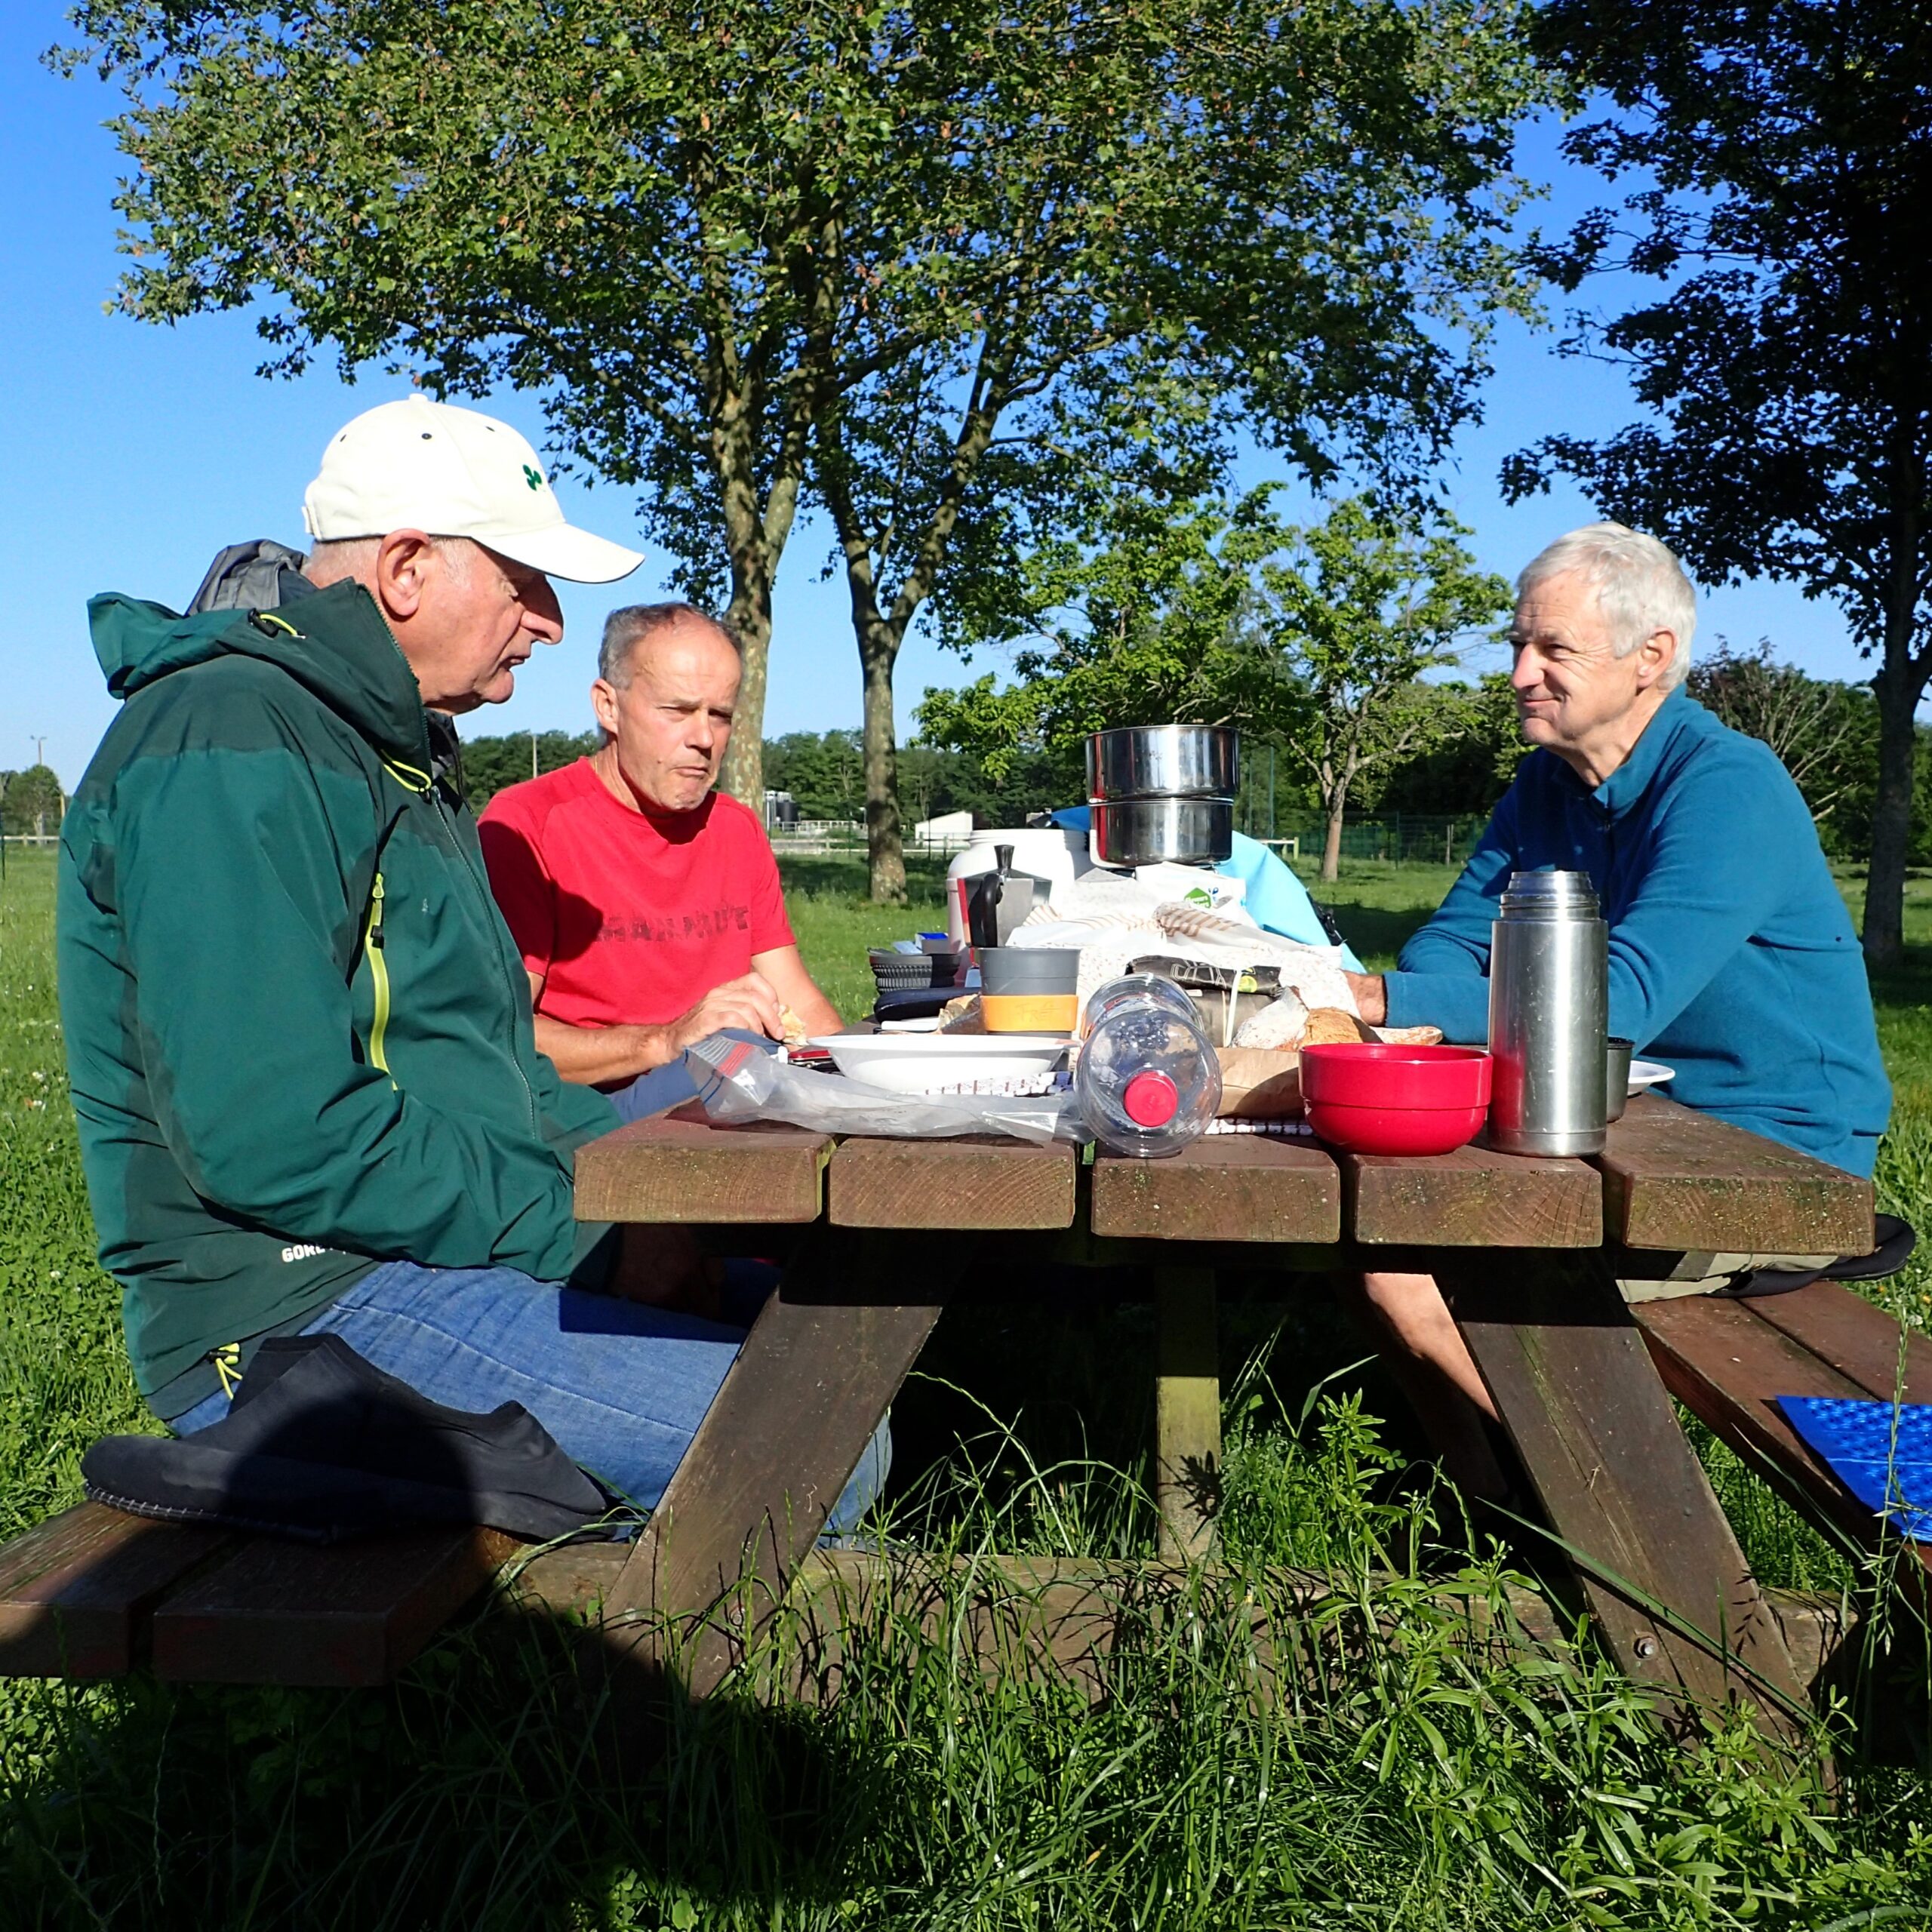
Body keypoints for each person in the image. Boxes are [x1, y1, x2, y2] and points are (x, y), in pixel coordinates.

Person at [57, 395, 884, 1522]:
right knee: (828, 1445)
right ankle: (376, 1507)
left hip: (429, 1250)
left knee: (842, 1336)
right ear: (405, 568)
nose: (545, 623)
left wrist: (646, 1204)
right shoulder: (231, 739)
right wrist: (591, 1231)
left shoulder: (393, 748)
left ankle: (502, 1496)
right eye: (523, 583)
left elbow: (492, 1072)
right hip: (300, 1308)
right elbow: (273, 1136)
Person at [1339, 521, 1890, 1496]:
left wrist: (1379, 999)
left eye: (1553, 650)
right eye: (1517, 644)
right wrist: (1416, 999)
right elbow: (1454, 941)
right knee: (1386, 1238)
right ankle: (1503, 1500)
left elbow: (1619, 995)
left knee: (1417, 1274)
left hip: (1770, 1161)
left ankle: (1611, 1515)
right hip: (1621, 1122)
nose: (1519, 673)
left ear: (1652, 660)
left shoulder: (1729, 788)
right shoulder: (1546, 785)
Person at [477, 603, 840, 1107]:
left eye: (720, 716)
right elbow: (497, 1035)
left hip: (727, 1090)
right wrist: (666, 1040)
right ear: (608, 707)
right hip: (590, 1113)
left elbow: (799, 1001)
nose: (703, 739)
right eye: (677, 710)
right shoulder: (527, 825)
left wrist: (864, 1081)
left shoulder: (735, 828)